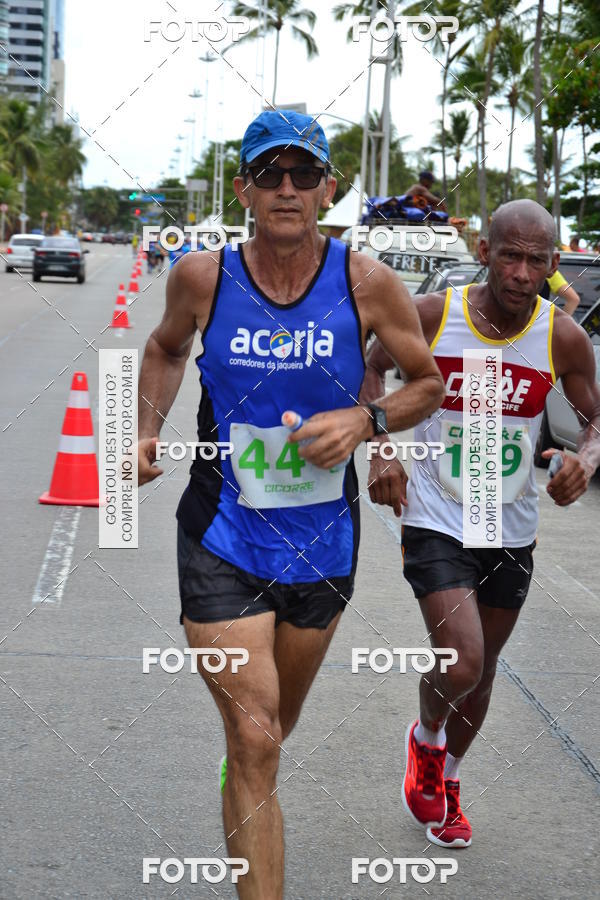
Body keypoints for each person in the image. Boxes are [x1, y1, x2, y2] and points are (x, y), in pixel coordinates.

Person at [136, 108, 445, 899]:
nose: (286, 188)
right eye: (269, 173)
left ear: (328, 189)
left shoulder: (364, 281)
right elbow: (166, 347)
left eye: (303, 174)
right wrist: (140, 428)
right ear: (242, 188)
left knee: (272, 732)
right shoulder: (203, 277)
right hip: (223, 531)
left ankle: (244, 773)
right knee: (256, 732)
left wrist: (367, 419)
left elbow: (428, 383)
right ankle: (247, 771)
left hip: (322, 541)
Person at [361, 199, 600, 849]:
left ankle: (450, 778)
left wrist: (583, 459)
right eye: (510, 255)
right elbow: (376, 362)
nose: (521, 272)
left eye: (537, 261)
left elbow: (593, 418)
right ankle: (427, 737)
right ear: (486, 252)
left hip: (512, 527)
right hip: (436, 516)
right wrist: (383, 446)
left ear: (554, 268)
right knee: (461, 661)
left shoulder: (562, 337)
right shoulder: (440, 315)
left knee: (485, 669)